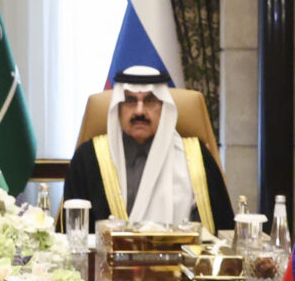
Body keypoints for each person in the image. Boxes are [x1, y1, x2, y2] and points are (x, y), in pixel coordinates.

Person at [59, 65, 237, 230]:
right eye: (130, 100)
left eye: (150, 100)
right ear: (118, 107)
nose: (139, 111)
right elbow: (72, 235)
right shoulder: (89, 158)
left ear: (164, 107)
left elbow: (221, 233)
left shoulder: (195, 157)